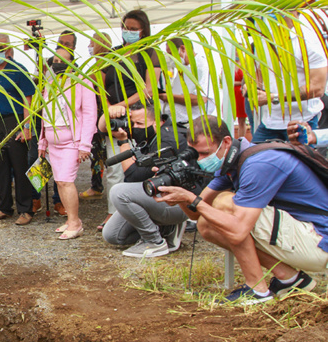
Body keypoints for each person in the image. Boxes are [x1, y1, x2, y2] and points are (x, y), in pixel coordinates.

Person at [156, 118, 323, 305]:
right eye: (196, 154)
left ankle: (258, 290)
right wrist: (177, 190)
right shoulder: (234, 160)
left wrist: (190, 198)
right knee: (207, 223)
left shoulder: (259, 163)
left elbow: (237, 230)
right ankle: (290, 279)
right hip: (304, 235)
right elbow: (196, 213)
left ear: (226, 141)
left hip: (318, 241)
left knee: (224, 203)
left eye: (205, 153)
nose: (201, 161)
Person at [99, 9, 163, 232]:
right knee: (115, 167)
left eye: (133, 29)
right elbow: (101, 84)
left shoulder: (150, 53)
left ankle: (143, 212)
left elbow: (149, 89)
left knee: (142, 166)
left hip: (140, 116)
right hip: (114, 117)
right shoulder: (113, 54)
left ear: (144, 29)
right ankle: (114, 213)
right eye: (125, 28)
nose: (128, 32)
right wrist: (108, 108)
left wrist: (122, 106)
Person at [100, 100, 189, 257]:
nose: (135, 128)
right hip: (157, 195)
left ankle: (154, 241)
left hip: (177, 202)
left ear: (157, 121)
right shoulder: (154, 134)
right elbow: (101, 127)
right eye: (133, 123)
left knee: (119, 192)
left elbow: (133, 176)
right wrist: (112, 110)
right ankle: (164, 228)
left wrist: (123, 141)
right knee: (112, 235)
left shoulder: (167, 140)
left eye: (140, 123)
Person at [37, 47, 97, 239]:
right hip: (53, 141)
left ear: (73, 63)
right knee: (60, 182)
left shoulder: (83, 82)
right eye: (55, 60)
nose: (58, 64)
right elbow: (44, 115)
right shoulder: (49, 83)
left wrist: (85, 145)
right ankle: (72, 220)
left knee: (66, 180)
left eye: (63, 60)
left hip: (72, 141)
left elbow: (90, 114)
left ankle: (75, 222)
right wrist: (42, 143)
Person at [0, 33, 37, 225]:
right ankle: (4, 207)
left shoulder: (18, 70)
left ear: (9, 49)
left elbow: (27, 101)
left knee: (19, 167)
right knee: (0, 166)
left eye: (1, 48)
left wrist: (26, 127)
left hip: (15, 121)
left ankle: (25, 209)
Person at [250, 13, 327, 143]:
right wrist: (251, 87)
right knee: (252, 159)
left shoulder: (307, 41)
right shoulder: (264, 41)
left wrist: (274, 97)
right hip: (270, 122)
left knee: (301, 162)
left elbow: (317, 88)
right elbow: (259, 74)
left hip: (302, 121)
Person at [79, 31, 113, 200]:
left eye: (92, 44)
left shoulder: (102, 66)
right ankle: (97, 185)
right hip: (103, 113)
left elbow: (96, 89)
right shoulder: (108, 62)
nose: (89, 47)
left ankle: (97, 186)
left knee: (98, 152)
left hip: (101, 114)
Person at [159, 37, 211, 127]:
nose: (170, 58)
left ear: (183, 48)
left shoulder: (201, 67)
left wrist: (168, 97)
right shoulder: (181, 68)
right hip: (174, 123)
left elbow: (200, 99)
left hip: (190, 125)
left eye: (171, 54)